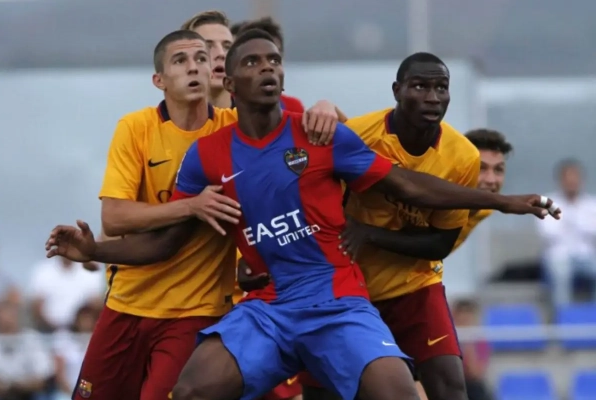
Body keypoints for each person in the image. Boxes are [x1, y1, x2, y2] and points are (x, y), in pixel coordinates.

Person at [45, 30, 558, 400]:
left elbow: (406, 183)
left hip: (338, 301)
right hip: (268, 307)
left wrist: (501, 201)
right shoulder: (206, 155)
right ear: (230, 81)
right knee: (194, 389)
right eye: (252, 62)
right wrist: (95, 250)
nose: (267, 68)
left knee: (400, 392)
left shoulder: (319, 134)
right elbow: (165, 243)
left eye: (274, 61)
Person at [76, 29, 339, 400]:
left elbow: (309, 130)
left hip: (197, 310)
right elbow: (114, 218)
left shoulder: (234, 129)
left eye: (201, 58)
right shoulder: (136, 128)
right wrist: (190, 205)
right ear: (159, 80)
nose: (195, 67)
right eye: (181, 60)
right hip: (126, 303)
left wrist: (327, 107)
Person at [537, 158, 596, 304]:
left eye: (575, 177)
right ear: (560, 180)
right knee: (561, 273)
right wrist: (579, 225)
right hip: (559, 256)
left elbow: (593, 231)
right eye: (568, 178)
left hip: (586, 255)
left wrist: (568, 223)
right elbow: (548, 233)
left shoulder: (591, 204)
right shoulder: (548, 203)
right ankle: (563, 314)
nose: (572, 182)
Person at [451, 129, 514, 251]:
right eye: (480, 168)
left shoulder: (485, 209)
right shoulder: (428, 201)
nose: (491, 180)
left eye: (498, 170)